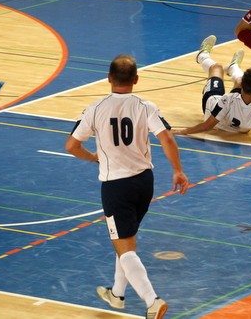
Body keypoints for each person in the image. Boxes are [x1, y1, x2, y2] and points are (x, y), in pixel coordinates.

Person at [65, 54, 189, 319]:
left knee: (124, 248)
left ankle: (152, 301)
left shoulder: (95, 108)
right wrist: (178, 170)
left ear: (108, 78)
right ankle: (117, 294)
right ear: (136, 80)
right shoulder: (146, 106)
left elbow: (71, 146)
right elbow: (167, 138)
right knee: (126, 241)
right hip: (144, 183)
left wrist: (93, 157)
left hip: (116, 186)